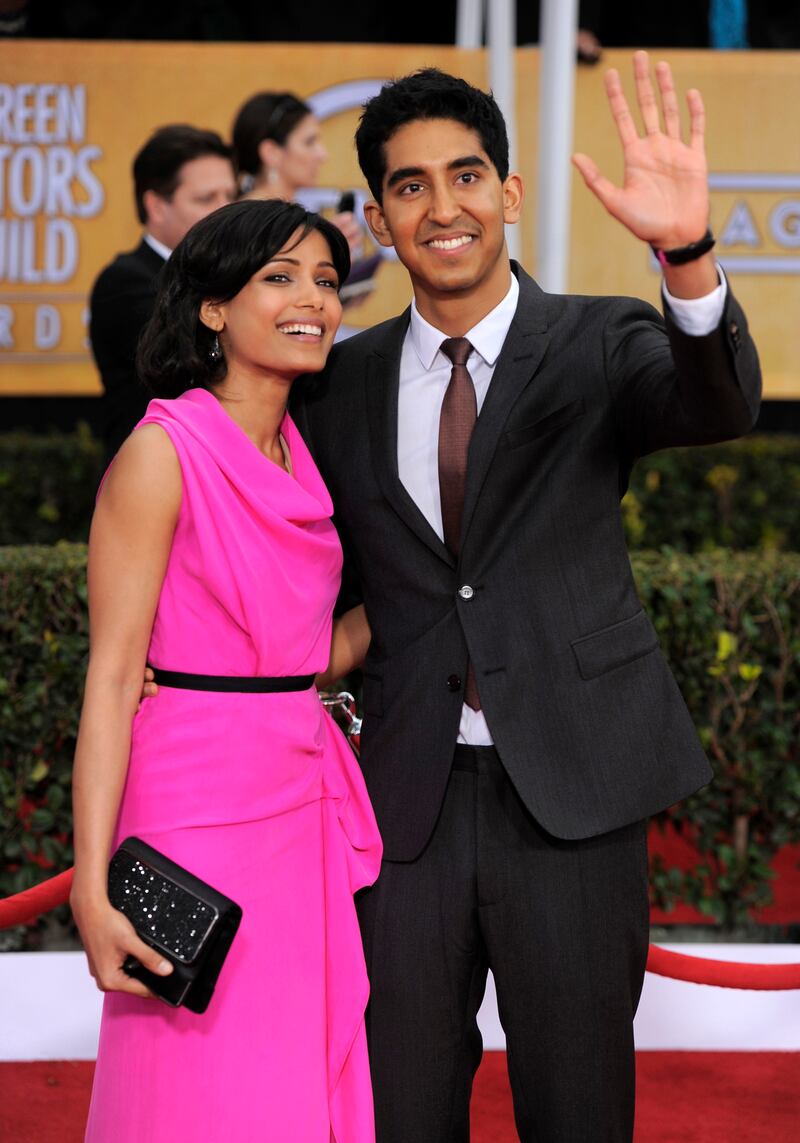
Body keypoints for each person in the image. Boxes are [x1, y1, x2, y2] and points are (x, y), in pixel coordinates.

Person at [291, 58, 761, 1141]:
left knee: (576, 1106)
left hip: (572, 789)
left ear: (506, 193)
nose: (440, 206)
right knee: (401, 1107)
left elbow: (714, 402)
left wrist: (682, 254)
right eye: (409, 187)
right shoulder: (341, 383)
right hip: (399, 802)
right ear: (375, 217)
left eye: (464, 177)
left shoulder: (596, 341)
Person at [71, 199, 382, 1141]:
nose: (313, 301)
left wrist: (449, 594)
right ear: (213, 308)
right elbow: (115, 679)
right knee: (196, 1089)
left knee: (289, 1078)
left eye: (326, 282)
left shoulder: (303, 454)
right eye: (280, 278)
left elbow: (300, 658)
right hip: (192, 812)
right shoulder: (163, 452)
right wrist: (90, 887)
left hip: (301, 795)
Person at [89, 125, 236, 463]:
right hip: (155, 481)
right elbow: (192, 363)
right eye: (206, 198)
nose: (225, 210)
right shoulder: (124, 282)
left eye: (230, 195)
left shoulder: (221, 277)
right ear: (156, 206)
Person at [232, 90, 363, 260]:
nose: (322, 155)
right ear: (271, 152)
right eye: (309, 142)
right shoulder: (251, 225)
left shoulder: (289, 218)